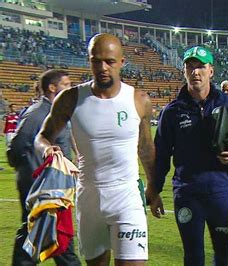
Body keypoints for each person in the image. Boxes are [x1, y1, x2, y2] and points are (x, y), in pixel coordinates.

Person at [34, 33, 156, 265]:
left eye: (109, 61)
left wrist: (153, 188)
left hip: (127, 197)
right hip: (89, 198)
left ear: (122, 62)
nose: (102, 67)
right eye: (95, 60)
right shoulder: (70, 99)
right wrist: (48, 151)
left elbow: (145, 147)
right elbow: (42, 137)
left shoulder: (139, 100)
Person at [147, 46, 228, 265]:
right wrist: (154, 190)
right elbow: (161, 156)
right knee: (193, 257)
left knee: (222, 257)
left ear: (211, 71)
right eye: (190, 66)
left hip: (221, 191)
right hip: (187, 194)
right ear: (184, 71)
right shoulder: (172, 112)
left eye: (200, 67)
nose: (195, 72)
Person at [9, 69, 81, 265]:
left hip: (55, 182)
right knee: (51, 234)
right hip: (42, 185)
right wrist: (33, 173)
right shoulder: (37, 113)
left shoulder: (56, 110)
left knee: (46, 233)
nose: (70, 88)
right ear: (52, 87)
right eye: (65, 84)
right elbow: (16, 146)